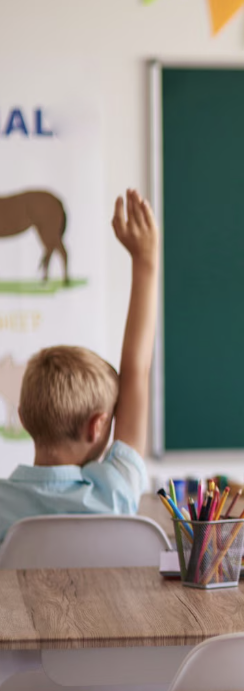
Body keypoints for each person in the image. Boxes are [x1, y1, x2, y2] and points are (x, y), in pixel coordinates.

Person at [0, 190, 158, 541]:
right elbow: (137, 370)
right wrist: (145, 259)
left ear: (23, 418)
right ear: (98, 425)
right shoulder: (114, 494)